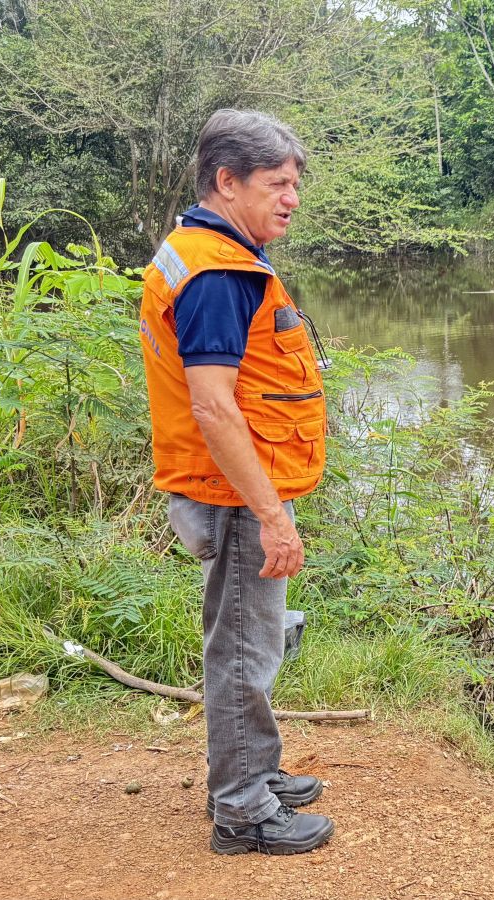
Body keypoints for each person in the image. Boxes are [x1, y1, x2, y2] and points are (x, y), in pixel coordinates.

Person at [139, 109, 335, 855]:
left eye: (295, 185)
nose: (291, 198)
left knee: (250, 639)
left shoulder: (204, 253)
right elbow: (215, 406)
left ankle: (255, 769)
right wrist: (273, 517)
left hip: (230, 485)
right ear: (227, 182)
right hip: (233, 493)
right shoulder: (218, 274)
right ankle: (244, 811)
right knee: (245, 650)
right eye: (276, 184)